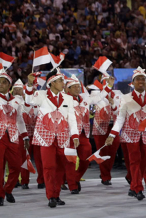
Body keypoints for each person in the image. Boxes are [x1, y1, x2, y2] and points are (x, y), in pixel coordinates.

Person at [26, 69, 79, 208]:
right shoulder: (41, 95)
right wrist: (29, 85)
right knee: (49, 167)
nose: (63, 83)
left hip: (63, 137)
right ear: (52, 83)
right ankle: (51, 196)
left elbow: (72, 118)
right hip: (45, 137)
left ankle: (56, 195)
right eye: (61, 81)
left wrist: (75, 135)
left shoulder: (68, 98)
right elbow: (29, 101)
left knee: (61, 167)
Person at [106, 67, 146, 201]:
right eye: (138, 79)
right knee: (135, 161)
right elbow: (120, 118)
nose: (141, 81)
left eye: (143, 79)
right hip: (130, 134)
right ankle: (138, 188)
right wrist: (112, 134)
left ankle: (133, 185)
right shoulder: (125, 98)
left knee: (145, 160)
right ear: (133, 82)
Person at [65, 74, 114, 194]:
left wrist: (108, 86)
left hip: (83, 133)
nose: (77, 88)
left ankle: (75, 178)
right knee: (69, 161)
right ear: (68, 89)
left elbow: (99, 97)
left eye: (78, 86)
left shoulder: (85, 99)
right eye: (74, 87)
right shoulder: (63, 100)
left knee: (86, 158)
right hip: (68, 134)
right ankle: (72, 185)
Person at [0, 70, 29, 206]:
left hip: (13, 136)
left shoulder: (16, 101)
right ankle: (0, 195)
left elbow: (19, 120)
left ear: (9, 85)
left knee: (16, 166)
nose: (0, 84)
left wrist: (25, 137)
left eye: (3, 82)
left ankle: (8, 189)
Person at [91, 72, 120, 186]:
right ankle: (105, 176)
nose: (108, 83)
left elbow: (119, 111)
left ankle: (106, 171)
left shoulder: (117, 94)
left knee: (112, 152)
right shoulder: (95, 94)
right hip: (99, 127)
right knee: (102, 151)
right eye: (106, 81)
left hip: (113, 128)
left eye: (110, 81)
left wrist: (113, 105)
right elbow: (93, 109)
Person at [12, 79, 40, 190]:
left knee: (40, 159)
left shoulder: (36, 102)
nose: (18, 91)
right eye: (15, 89)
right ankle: (24, 181)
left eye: (20, 89)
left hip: (37, 135)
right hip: (22, 136)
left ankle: (41, 180)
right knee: (23, 159)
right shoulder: (14, 102)